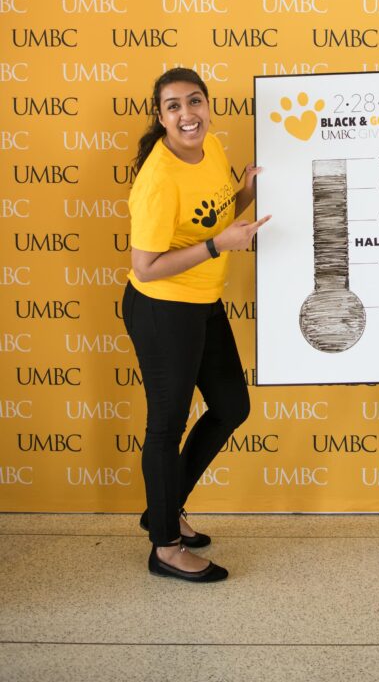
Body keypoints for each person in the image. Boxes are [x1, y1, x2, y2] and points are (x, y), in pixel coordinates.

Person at [122, 67, 270, 583]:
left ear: (208, 105)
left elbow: (214, 213)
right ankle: (164, 546)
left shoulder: (211, 147)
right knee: (166, 426)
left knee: (232, 405)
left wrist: (245, 193)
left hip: (201, 301)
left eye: (195, 102)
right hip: (162, 308)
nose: (188, 115)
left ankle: (162, 508)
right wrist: (216, 247)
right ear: (160, 117)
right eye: (174, 107)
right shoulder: (158, 180)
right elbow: (146, 266)